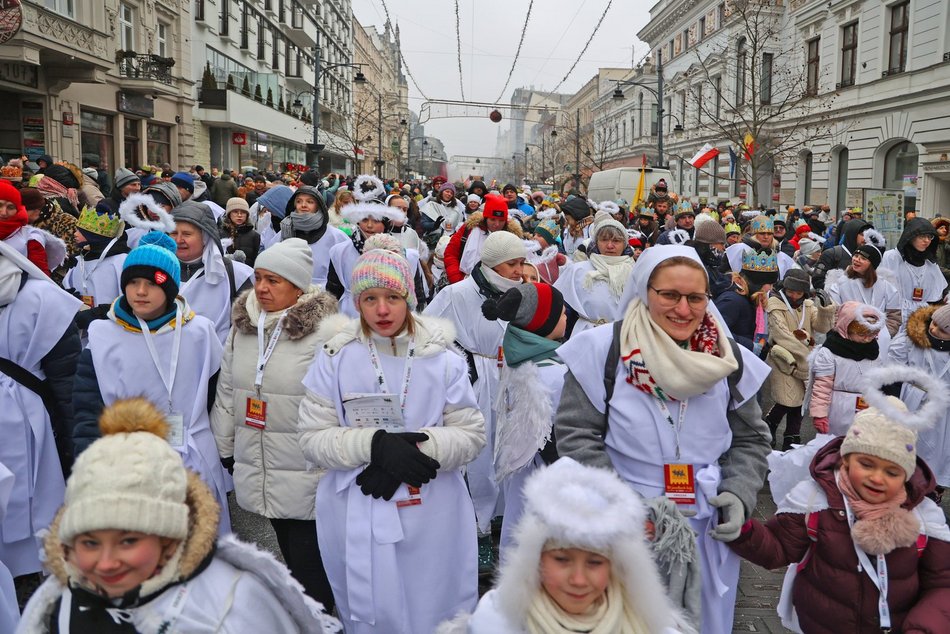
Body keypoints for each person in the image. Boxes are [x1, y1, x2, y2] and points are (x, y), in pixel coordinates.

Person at [554, 244, 773, 634]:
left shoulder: (726, 358)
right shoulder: (604, 350)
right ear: (644, 291)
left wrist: (739, 493)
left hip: (706, 517)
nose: (684, 310)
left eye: (695, 297)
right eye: (669, 295)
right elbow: (577, 433)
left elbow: (752, 439)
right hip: (624, 518)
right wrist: (618, 503)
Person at [18, 398, 341, 633]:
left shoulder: (231, 606)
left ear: (169, 539)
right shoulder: (57, 604)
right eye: (89, 542)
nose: (105, 562)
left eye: (128, 540)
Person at [297, 247, 486, 634]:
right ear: (357, 302)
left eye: (393, 298)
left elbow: (471, 433)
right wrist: (374, 448)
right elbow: (312, 438)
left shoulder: (443, 359)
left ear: (409, 298)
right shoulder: (334, 358)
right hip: (358, 502)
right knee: (371, 610)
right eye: (370, 299)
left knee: (434, 606)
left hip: (432, 509)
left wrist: (419, 451)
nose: (382, 310)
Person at [725, 374, 950, 634]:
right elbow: (777, 548)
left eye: (892, 471)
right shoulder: (816, 502)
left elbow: (943, 584)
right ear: (845, 460)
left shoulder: (924, 518)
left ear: (907, 475)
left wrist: (924, 627)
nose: (877, 478)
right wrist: (742, 530)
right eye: (866, 464)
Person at [72, 232, 231, 533]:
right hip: (129, 462)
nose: (140, 292)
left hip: (192, 453)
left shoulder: (199, 332)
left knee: (198, 544)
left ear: (169, 289)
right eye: (133, 282)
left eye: (152, 283)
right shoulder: (103, 336)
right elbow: (86, 409)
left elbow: (219, 397)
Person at [211, 239, 338, 607]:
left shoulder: (325, 334)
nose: (262, 288)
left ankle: (323, 619)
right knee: (287, 549)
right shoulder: (244, 328)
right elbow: (228, 389)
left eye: (274, 281)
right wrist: (225, 448)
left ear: (298, 287)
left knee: (310, 560)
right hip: (260, 458)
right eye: (259, 278)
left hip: (305, 466)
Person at [456, 458, 690, 634]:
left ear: (617, 566)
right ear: (534, 561)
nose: (578, 579)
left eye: (595, 562)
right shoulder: (495, 623)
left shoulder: (651, 626)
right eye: (562, 559)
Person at [424, 230, 526, 571]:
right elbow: (427, 332)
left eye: (522, 263)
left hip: (509, 377)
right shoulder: (457, 293)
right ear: (495, 263)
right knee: (479, 457)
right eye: (513, 263)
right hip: (474, 380)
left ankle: (499, 516)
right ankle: (478, 530)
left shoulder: (520, 293)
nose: (519, 270)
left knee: (509, 451)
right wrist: (459, 362)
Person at [0, 242, 81, 581]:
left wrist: (73, 440)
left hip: (30, 412)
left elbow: (66, 374)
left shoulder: (40, 298)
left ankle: (39, 570)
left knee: (37, 494)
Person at [479, 283, 567, 553]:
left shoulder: (520, 364)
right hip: (551, 484)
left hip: (522, 481)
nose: (566, 316)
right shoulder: (555, 375)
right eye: (561, 313)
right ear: (544, 322)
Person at [764, 269, 836, 449]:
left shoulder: (808, 305)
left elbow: (822, 327)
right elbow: (782, 335)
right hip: (782, 358)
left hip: (804, 361)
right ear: (784, 287)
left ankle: (791, 435)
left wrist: (826, 309)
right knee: (788, 399)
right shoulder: (775, 304)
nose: (794, 295)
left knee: (801, 400)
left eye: (799, 292)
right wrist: (807, 357)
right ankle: (771, 425)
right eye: (791, 291)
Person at [888, 303, 950, 500]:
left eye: (942, 330)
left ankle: (931, 489)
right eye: (933, 323)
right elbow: (893, 364)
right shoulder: (912, 339)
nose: (933, 329)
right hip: (913, 396)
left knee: (938, 450)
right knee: (906, 444)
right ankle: (898, 484)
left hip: (942, 409)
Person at [171, 201, 254, 344]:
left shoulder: (236, 274)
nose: (179, 240)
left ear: (205, 237)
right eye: (173, 233)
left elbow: (248, 328)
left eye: (187, 234)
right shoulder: (158, 271)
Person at [808, 302, 885, 436]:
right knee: (835, 446)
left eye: (872, 334)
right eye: (861, 334)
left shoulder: (873, 351)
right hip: (838, 407)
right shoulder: (831, 351)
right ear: (846, 327)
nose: (867, 339)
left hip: (867, 408)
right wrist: (820, 414)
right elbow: (822, 386)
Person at [554, 216, 634, 338]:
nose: (610, 245)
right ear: (596, 242)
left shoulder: (634, 272)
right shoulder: (579, 270)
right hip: (585, 335)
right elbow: (561, 305)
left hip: (622, 336)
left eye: (616, 241)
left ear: (625, 244)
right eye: (604, 240)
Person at [63, 204, 130, 331]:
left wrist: (102, 313)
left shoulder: (121, 261)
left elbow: (130, 299)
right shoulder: (78, 261)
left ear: (93, 236)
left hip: (113, 330)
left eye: (81, 231)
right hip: (81, 334)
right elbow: (67, 287)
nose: (75, 234)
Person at [826, 234, 901, 347]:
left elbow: (894, 316)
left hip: (878, 340)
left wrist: (883, 334)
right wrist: (845, 333)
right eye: (856, 256)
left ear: (872, 264)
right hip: (847, 339)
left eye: (863, 258)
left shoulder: (886, 286)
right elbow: (834, 313)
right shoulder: (840, 283)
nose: (857, 260)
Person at [442, 193, 524, 285]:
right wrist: (456, 279)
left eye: (501, 220)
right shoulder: (469, 229)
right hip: (465, 282)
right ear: (486, 218)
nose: (497, 224)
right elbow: (451, 253)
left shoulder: (513, 237)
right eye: (492, 219)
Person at [277, 185, 349, 288]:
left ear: (318, 206)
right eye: (299, 201)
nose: (303, 205)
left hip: (326, 295)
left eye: (310, 202)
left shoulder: (336, 237)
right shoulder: (283, 233)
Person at [879, 217, 948, 323]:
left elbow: (938, 293)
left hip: (921, 319)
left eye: (930, 237)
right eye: (922, 236)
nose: (927, 241)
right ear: (910, 236)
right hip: (895, 316)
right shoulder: (892, 258)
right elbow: (881, 289)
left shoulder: (930, 263)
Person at [714, 248, 779, 351]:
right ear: (758, 283)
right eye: (770, 284)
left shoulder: (750, 298)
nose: (771, 288)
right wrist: (751, 345)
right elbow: (716, 331)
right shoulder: (733, 300)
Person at [812, 217, 872, 289]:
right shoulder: (831, 254)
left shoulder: (869, 257)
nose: (866, 239)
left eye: (868, 236)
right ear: (852, 234)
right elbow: (817, 281)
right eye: (862, 234)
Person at [220, 197, 261, 266]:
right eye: (235, 212)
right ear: (229, 214)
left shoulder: (254, 235)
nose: (239, 215)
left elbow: (256, 259)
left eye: (243, 212)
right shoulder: (220, 233)